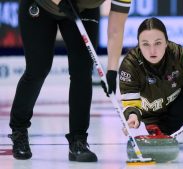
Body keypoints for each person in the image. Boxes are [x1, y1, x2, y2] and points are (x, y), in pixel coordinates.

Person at [8, 0, 131, 162]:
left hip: (83, 9)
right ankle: (19, 130)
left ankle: (78, 140)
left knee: (82, 71)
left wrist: (112, 71)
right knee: (38, 68)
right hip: (42, 5)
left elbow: (116, 29)